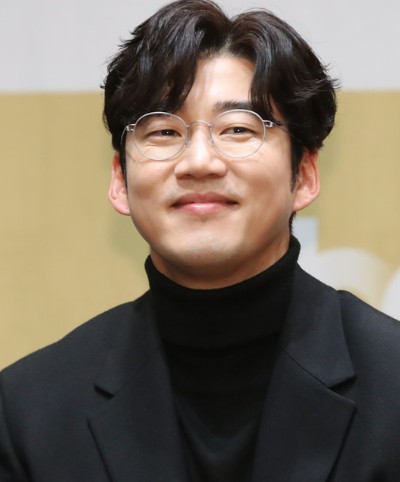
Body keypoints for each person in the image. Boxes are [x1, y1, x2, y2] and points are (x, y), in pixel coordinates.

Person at [1, 0, 400, 480]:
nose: (199, 162)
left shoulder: (392, 384)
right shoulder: (28, 411)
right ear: (120, 181)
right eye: (164, 131)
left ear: (305, 175)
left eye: (238, 129)